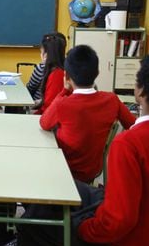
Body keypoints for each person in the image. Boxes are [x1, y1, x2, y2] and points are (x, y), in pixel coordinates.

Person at [77, 55, 149, 246]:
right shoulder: (111, 100)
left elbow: (118, 221)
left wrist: (83, 229)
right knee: (79, 190)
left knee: (60, 217)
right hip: (107, 187)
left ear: (140, 90)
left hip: (129, 238)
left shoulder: (129, 144)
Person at [40, 44, 136, 183]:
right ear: (97, 73)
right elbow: (133, 125)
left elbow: (44, 123)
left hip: (65, 172)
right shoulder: (112, 100)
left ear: (66, 76)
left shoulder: (63, 104)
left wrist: (64, 90)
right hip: (92, 172)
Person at [26, 32, 67, 103]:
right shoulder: (68, 67)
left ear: (45, 54)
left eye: (41, 52)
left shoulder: (42, 68)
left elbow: (30, 90)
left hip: (39, 106)